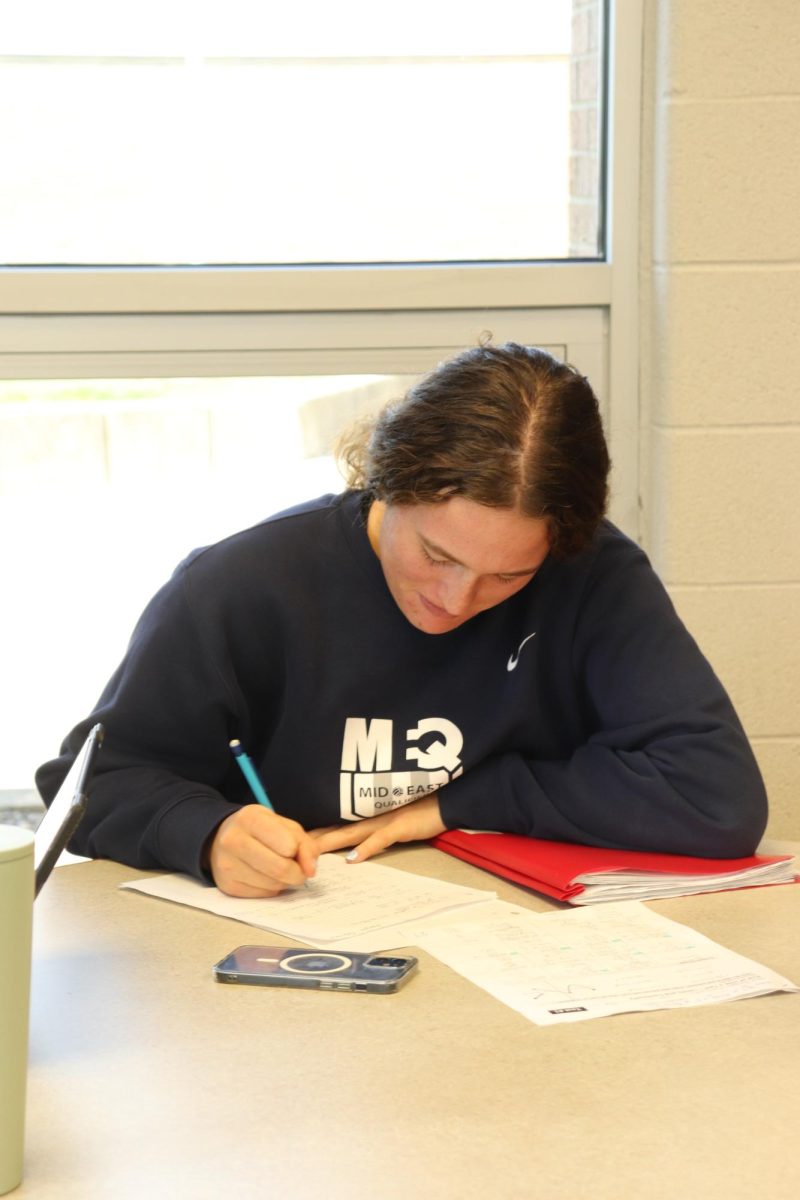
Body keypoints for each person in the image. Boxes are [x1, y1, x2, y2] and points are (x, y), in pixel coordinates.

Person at [36, 343, 768, 898]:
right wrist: (207, 834)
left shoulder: (594, 577)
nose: (455, 599)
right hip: (295, 944)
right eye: (435, 553)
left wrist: (457, 804)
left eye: (508, 576)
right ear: (386, 480)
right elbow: (92, 783)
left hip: (510, 942)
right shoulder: (241, 586)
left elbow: (716, 796)